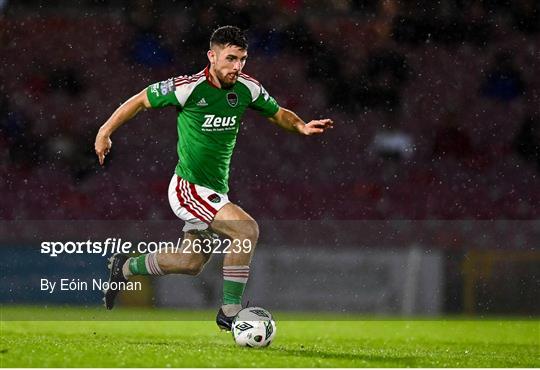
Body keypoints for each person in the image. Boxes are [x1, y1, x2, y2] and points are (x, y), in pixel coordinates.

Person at [94, 25, 333, 330]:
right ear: (212, 56)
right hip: (188, 187)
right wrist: (105, 132)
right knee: (246, 230)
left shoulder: (248, 88)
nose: (237, 66)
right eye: (231, 58)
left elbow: (277, 112)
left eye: (242, 59)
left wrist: (301, 126)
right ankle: (230, 313)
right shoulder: (188, 87)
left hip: (215, 190)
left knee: (191, 262)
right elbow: (141, 99)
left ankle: (125, 266)